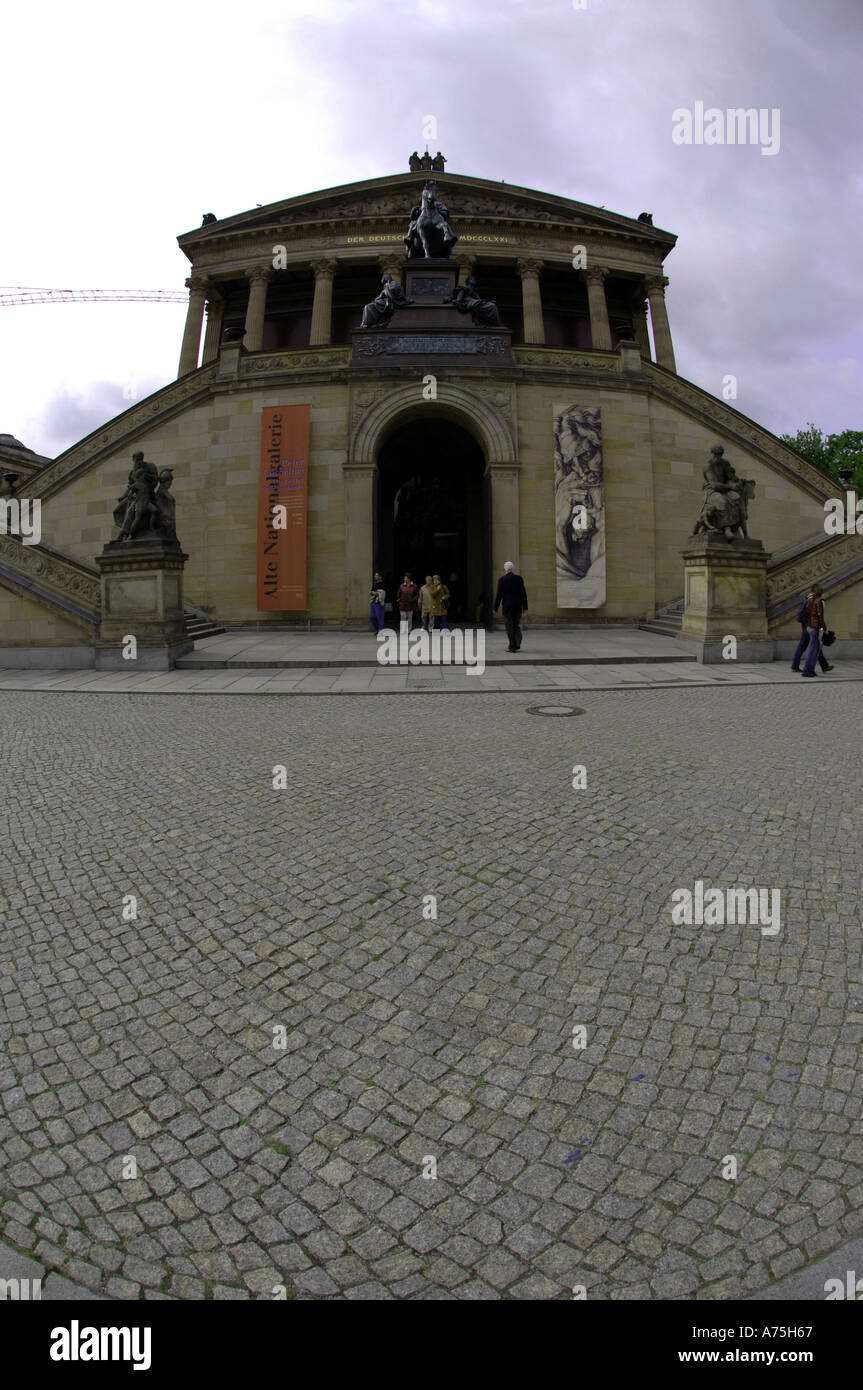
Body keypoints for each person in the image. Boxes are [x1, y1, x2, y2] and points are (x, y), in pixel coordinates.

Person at [791, 589, 833, 673]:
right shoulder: (817, 601)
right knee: (813, 646)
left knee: (808, 646)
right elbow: (819, 616)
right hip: (811, 626)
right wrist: (823, 628)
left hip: (805, 625)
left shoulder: (807, 598)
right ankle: (809, 669)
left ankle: (823, 665)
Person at [493, 560, 528, 653]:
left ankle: (512, 646)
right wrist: (525, 607)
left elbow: (499, 595)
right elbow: (523, 593)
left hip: (507, 607)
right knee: (516, 625)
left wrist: (495, 608)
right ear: (513, 568)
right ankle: (517, 644)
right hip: (518, 606)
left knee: (509, 627)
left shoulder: (502, 579)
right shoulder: (519, 578)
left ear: (505, 569)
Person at [800, 584, 827, 677]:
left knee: (816, 649)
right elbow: (820, 616)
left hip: (808, 626)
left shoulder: (809, 599)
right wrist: (824, 628)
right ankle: (807, 670)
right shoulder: (819, 601)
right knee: (813, 650)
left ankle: (811, 669)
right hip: (814, 627)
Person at [396, 572, 419, 636]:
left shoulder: (414, 586)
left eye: (405, 578)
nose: (404, 579)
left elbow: (417, 594)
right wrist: (399, 599)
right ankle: (403, 630)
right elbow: (398, 593)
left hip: (410, 605)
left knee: (409, 618)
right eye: (404, 578)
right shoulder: (402, 586)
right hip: (402, 604)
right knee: (403, 617)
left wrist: (413, 600)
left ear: (409, 579)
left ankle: (409, 630)